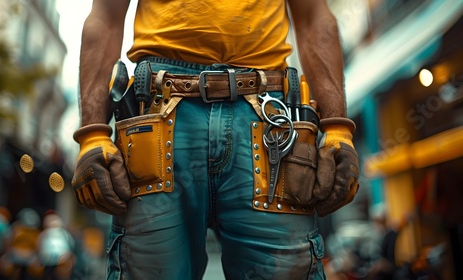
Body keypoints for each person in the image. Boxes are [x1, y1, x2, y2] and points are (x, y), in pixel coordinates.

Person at [71, 0, 360, 279]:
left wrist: (337, 128)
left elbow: (314, 18)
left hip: (264, 119)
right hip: (168, 115)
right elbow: (105, 17)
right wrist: (92, 134)